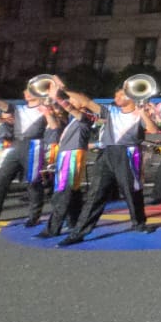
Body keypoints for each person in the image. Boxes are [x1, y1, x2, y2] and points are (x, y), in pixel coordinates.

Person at [58, 81, 161, 246]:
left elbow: (154, 130)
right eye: (116, 95)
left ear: (132, 96)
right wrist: (64, 89)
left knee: (131, 191)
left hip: (128, 153)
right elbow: (86, 101)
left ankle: (139, 223)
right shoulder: (111, 111)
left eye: (121, 94)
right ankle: (79, 232)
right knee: (95, 194)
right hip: (106, 153)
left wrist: (143, 114)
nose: (116, 97)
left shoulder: (140, 114)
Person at [0, 82, 51, 232]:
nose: (26, 93)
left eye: (30, 91)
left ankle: (34, 216)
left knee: (33, 182)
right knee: (0, 181)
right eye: (25, 91)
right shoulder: (18, 108)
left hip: (34, 144)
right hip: (16, 144)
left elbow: (56, 119)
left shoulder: (45, 109)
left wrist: (49, 105)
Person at [38, 87, 97, 239]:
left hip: (73, 154)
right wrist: (50, 108)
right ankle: (74, 221)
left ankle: (53, 228)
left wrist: (58, 98)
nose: (70, 101)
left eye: (73, 99)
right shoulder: (72, 118)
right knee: (72, 191)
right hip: (66, 154)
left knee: (63, 192)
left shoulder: (86, 115)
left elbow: (71, 109)